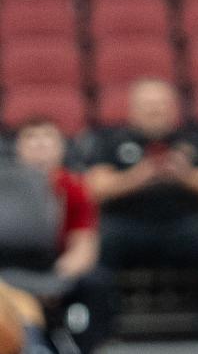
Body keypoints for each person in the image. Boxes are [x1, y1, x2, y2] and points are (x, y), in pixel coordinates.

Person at [84, 78, 198, 275]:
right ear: (133, 109)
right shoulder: (111, 140)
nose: (154, 111)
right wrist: (139, 176)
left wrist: (185, 176)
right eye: (147, 105)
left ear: (173, 109)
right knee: (103, 243)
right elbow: (95, 188)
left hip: (184, 224)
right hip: (127, 225)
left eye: (160, 104)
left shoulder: (194, 140)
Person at [7, 119, 111, 353]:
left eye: (47, 137)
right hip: (8, 274)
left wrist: (53, 280)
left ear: (61, 147)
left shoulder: (75, 188)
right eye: (31, 137)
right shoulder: (5, 189)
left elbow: (84, 247)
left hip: (57, 270)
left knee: (96, 281)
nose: (39, 144)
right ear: (18, 148)